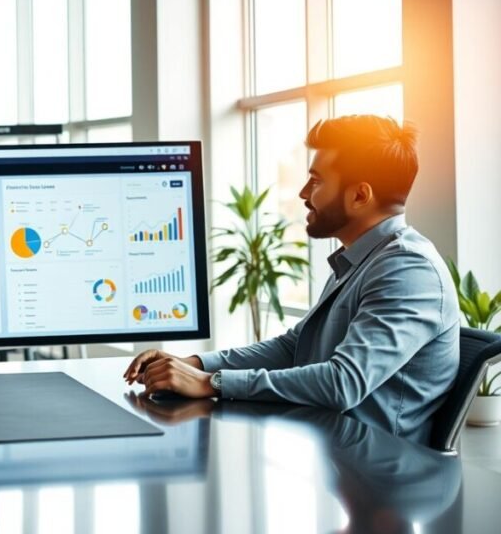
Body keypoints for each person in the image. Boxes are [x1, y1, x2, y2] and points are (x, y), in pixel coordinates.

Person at [123, 115, 460, 444]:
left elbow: (343, 382)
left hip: (379, 469)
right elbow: (293, 347)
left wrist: (211, 382)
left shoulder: (408, 269)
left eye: (316, 181)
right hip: (333, 450)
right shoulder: (362, 260)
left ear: (360, 196)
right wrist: (191, 365)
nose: (303, 193)